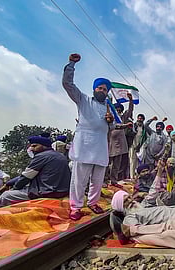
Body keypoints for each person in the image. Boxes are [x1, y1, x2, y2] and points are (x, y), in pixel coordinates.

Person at [62, 53, 115, 220]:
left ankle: (93, 202)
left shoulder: (108, 107)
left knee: (98, 179)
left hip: (100, 147)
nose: (102, 91)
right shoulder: (83, 99)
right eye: (100, 88)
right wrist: (71, 65)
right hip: (84, 145)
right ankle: (75, 207)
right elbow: (67, 84)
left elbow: (110, 127)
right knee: (79, 180)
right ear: (94, 89)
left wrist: (111, 122)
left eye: (105, 89)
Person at [0, 136, 71, 207]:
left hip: (47, 193)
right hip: (63, 192)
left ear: (44, 146)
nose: (32, 149)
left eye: (34, 146)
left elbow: (25, 178)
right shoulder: (60, 156)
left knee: (5, 196)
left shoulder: (41, 156)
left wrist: (14, 188)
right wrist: (9, 183)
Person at [108, 98, 134, 184]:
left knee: (117, 165)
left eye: (119, 109)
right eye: (117, 109)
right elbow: (115, 126)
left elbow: (130, 110)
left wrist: (131, 100)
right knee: (107, 164)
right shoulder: (110, 117)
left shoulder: (123, 118)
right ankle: (105, 180)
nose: (118, 111)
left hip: (121, 144)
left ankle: (114, 181)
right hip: (110, 143)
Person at [129, 113, 149, 179]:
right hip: (133, 146)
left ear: (143, 120)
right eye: (139, 118)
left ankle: (137, 176)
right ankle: (131, 177)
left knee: (139, 162)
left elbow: (146, 138)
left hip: (140, 148)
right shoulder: (134, 126)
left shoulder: (144, 128)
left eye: (141, 119)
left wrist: (141, 146)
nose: (139, 119)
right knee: (132, 161)